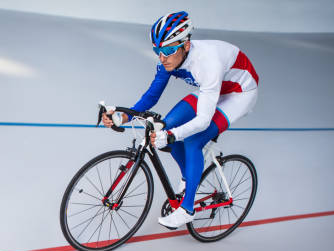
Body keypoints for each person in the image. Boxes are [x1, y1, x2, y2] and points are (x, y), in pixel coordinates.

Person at [102, 11, 259, 229]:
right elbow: (152, 96)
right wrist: (124, 116)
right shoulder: (170, 59)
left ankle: (187, 209)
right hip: (213, 89)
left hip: (238, 94)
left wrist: (172, 136)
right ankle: (189, 179)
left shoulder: (207, 62)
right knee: (166, 125)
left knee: (193, 141)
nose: (162, 57)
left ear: (186, 45)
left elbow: (203, 120)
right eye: (158, 50)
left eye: (167, 50)